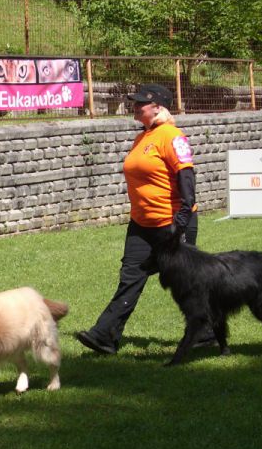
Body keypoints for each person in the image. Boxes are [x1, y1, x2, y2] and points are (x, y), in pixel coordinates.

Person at [75, 83, 213, 355]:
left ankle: (206, 332)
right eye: (135, 102)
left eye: (141, 103)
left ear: (159, 108)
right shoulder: (143, 137)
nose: (135, 107)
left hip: (171, 222)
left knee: (184, 281)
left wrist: (183, 214)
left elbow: (186, 174)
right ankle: (105, 336)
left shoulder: (172, 136)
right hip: (142, 224)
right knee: (130, 276)